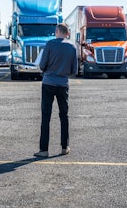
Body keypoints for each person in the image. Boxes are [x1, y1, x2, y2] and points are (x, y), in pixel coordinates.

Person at [34, 23, 78, 157]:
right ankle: (64, 147)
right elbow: (74, 70)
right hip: (63, 84)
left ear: (58, 31)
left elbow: (42, 66)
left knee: (46, 117)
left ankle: (44, 150)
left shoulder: (50, 44)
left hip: (48, 83)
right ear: (67, 33)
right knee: (64, 116)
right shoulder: (72, 47)